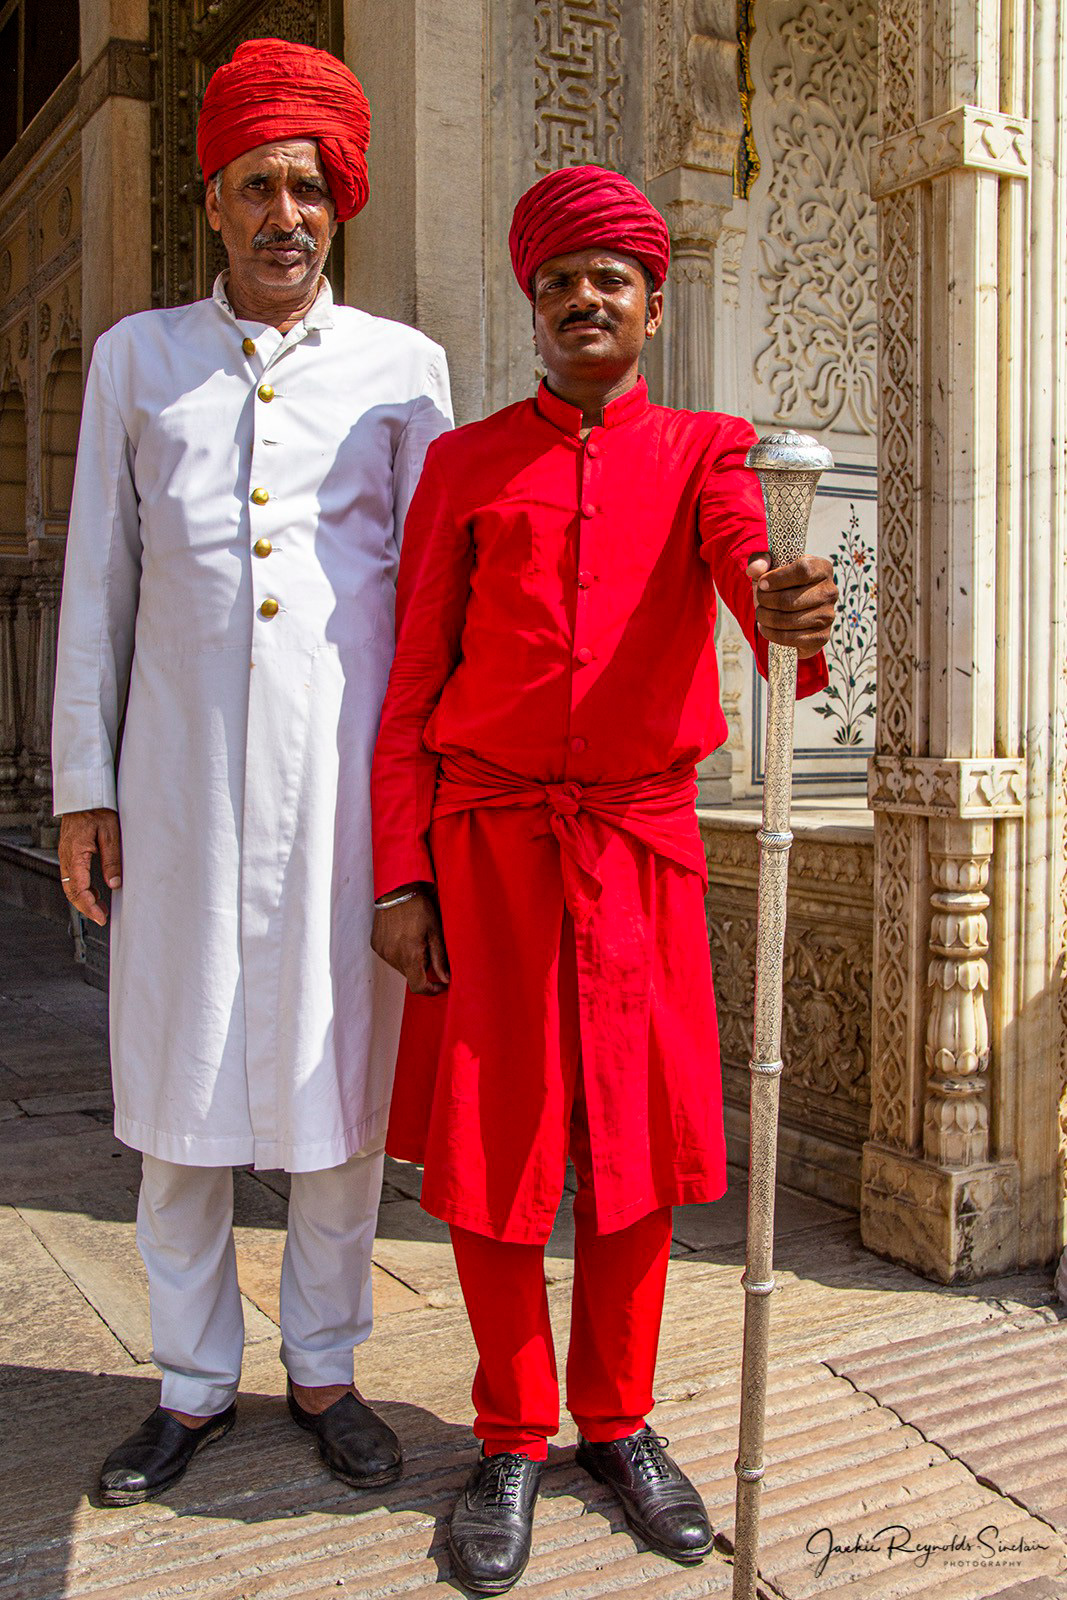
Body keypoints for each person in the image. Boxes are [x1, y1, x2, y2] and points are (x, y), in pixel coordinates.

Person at [370, 164, 836, 1593]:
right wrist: (402, 878)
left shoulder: (709, 448)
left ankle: (618, 1425)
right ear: (535, 304)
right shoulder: (465, 463)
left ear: (651, 302)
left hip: (637, 847)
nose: (585, 300)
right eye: (561, 281)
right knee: (497, 1154)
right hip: (489, 845)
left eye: (609, 281)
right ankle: (510, 1438)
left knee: (631, 1158)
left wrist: (787, 603)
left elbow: (756, 577)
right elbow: (414, 681)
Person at [51, 37, 451, 1506]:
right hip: (174, 792)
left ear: (337, 203)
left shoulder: (405, 370)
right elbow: (99, 582)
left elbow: (434, 598)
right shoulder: (135, 360)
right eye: (256, 185)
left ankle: (328, 1366)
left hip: (347, 799)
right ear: (210, 204)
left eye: (308, 186)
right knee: (177, 1075)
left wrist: (427, 816)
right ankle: (191, 1379)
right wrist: (82, 787)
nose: (287, 212)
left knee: (339, 1086)